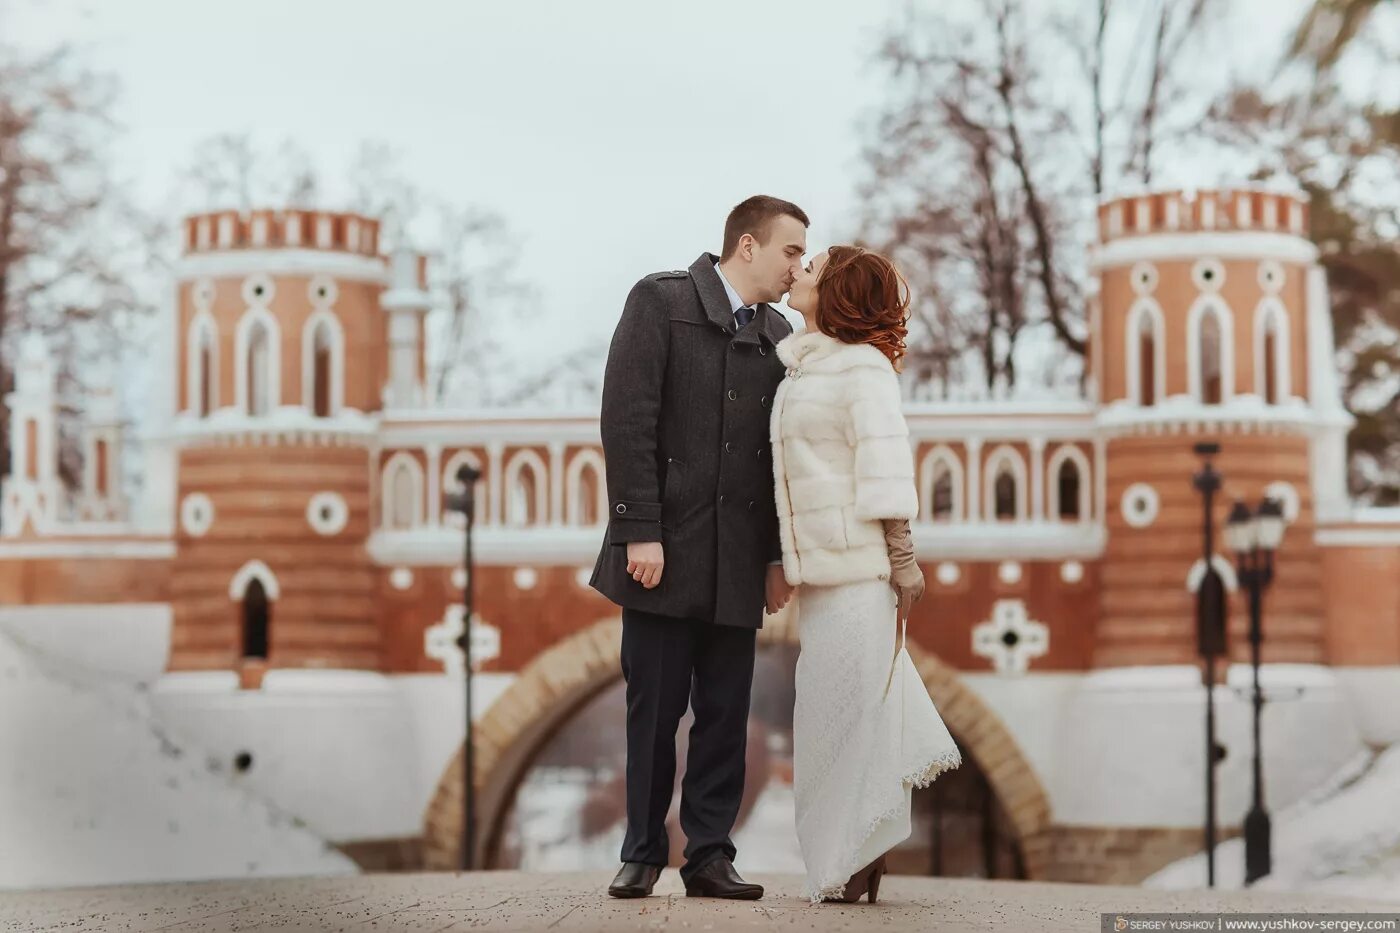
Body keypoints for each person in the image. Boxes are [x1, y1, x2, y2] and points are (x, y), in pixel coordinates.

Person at [589, 195, 806, 900]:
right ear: (748, 246)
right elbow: (627, 419)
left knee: (724, 713)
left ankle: (709, 853)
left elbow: (778, 459)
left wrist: (776, 556)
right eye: (791, 251)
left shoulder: (780, 334)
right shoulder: (661, 302)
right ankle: (643, 850)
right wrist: (638, 530)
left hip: (738, 561)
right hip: (663, 553)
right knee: (654, 711)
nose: (797, 266)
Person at [771, 245, 962, 904]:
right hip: (820, 579)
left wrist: (903, 560)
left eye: (812, 267)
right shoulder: (803, 367)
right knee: (824, 718)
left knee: (854, 715)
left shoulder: (863, 369)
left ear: (838, 290)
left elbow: (885, 468)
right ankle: (856, 848)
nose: (797, 271)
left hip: (860, 576)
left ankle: (858, 851)